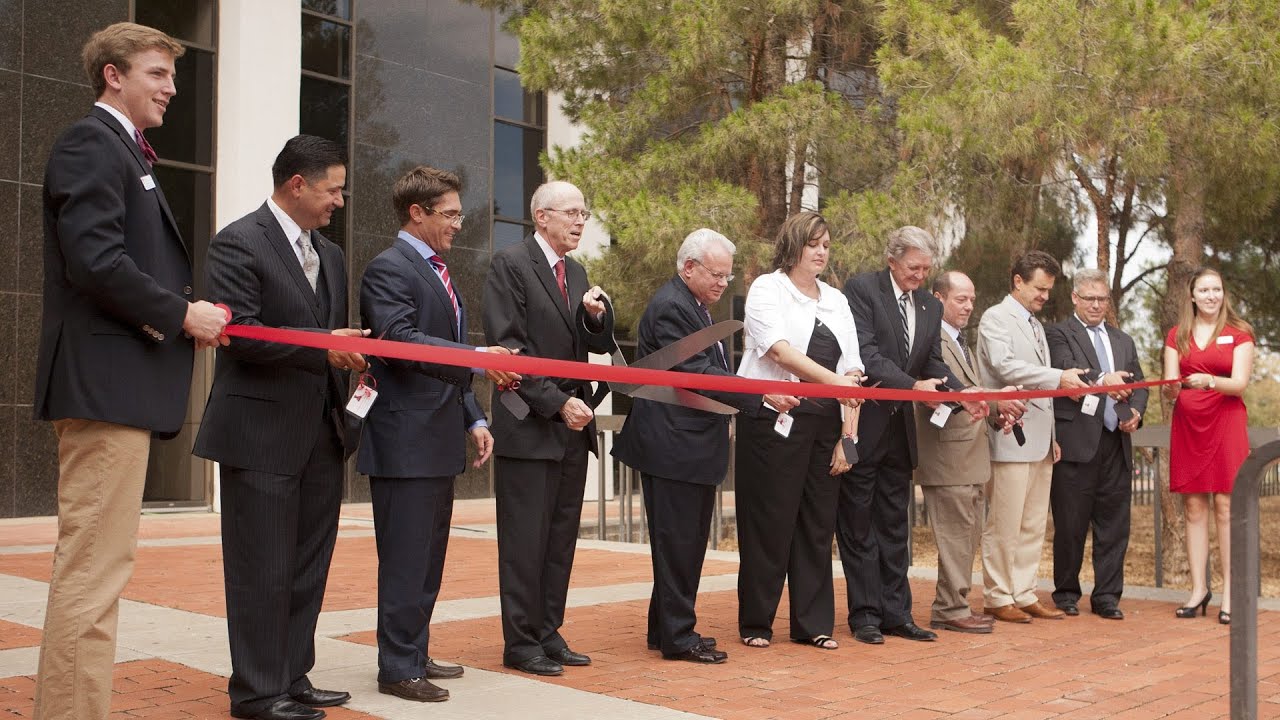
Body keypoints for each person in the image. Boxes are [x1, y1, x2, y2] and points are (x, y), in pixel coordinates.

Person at [31, 22, 228, 720]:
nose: (172, 88)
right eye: (157, 73)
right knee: (93, 574)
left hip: (118, 390)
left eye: (172, 75)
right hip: (104, 392)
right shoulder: (91, 142)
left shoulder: (123, 151)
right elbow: (96, 261)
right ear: (112, 75)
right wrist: (181, 314)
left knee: (98, 572)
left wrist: (178, 317)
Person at [194, 135, 368, 720]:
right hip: (259, 435)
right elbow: (239, 333)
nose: (339, 201)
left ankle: (293, 675)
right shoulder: (239, 241)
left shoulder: (332, 256)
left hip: (321, 434)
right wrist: (323, 347)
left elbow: (327, 337)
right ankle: (258, 691)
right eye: (333, 190)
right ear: (297, 184)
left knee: (306, 569)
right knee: (260, 571)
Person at [357, 167, 520, 701]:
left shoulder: (439, 270)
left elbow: (448, 363)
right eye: (449, 214)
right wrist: (476, 357)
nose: (458, 224)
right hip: (405, 442)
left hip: (438, 437)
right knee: (405, 560)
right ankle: (397, 667)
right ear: (417, 213)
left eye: (459, 214)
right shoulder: (389, 268)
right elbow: (399, 339)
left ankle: (414, 651)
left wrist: (474, 417)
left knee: (428, 559)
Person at [613, 229, 798, 664]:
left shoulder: (693, 306)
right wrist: (760, 393)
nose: (722, 283)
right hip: (673, 448)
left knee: (683, 543)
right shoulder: (673, 307)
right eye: (715, 274)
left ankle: (665, 629)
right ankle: (678, 637)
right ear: (688, 267)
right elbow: (698, 374)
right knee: (679, 544)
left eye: (727, 276)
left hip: (686, 447)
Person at [482, 181, 614, 677]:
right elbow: (509, 349)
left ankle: (547, 630)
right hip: (531, 422)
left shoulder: (575, 272)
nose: (581, 221)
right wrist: (558, 404)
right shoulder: (511, 264)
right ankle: (520, 642)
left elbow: (587, 343)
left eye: (584, 213)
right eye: (572, 213)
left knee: (560, 539)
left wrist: (596, 318)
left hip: (571, 428)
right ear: (542, 216)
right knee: (525, 542)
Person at [839, 227, 988, 645]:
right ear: (892, 261)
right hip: (865, 425)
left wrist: (960, 395)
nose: (920, 276)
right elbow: (867, 355)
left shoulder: (928, 304)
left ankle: (897, 614)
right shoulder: (862, 290)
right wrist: (913, 387)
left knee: (894, 527)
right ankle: (865, 616)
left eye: (926, 269)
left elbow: (934, 362)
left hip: (901, 435)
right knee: (859, 526)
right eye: (912, 268)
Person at [735, 211, 864, 651]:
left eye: (826, 245)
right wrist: (835, 383)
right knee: (770, 523)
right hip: (773, 422)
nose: (822, 252)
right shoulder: (767, 288)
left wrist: (848, 439)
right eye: (813, 244)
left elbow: (853, 372)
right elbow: (779, 351)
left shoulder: (837, 299)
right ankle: (757, 622)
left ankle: (813, 624)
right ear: (793, 246)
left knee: (817, 525)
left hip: (825, 426)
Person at [976, 250, 1089, 624]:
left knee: (1033, 524)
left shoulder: (1037, 325)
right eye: (1039, 288)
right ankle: (997, 595)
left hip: (1041, 440)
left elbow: (1040, 387)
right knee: (1004, 523)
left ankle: (1023, 592)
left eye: (1048, 290)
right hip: (1010, 435)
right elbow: (1005, 367)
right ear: (1018, 281)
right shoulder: (995, 318)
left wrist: (1053, 434)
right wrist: (1059, 377)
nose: (1044, 296)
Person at [913, 271, 1024, 635]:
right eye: (961, 299)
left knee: (966, 535)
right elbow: (949, 392)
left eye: (972, 300)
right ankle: (951, 608)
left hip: (971, 456)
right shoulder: (931, 342)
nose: (968, 306)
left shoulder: (961, 341)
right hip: (947, 457)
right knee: (955, 537)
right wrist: (997, 401)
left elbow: (970, 395)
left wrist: (996, 412)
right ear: (938, 298)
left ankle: (954, 603)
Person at [1046, 269, 1147, 620]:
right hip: (1076, 443)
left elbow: (1140, 383)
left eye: (1102, 299)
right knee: (1070, 524)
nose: (1096, 305)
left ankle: (1107, 597)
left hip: (1115, 442)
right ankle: (1066, 593)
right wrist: (1105, 380)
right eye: (1089, 298)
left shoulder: (1123, 340)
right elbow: (1065, 368)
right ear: (1075, 298)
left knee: (1114, 526)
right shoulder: (1058, 333)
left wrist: (1136, 412)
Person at [1163, 267, 1254, 625]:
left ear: (1223, 293)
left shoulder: (1239, 333)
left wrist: (1210, 380)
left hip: (1226, 422)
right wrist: (1171, 388)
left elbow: (1240, 383)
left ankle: (1231, 593)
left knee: (1226, 505)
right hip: (1189, 426)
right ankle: (1199, 589)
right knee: (1193, 508)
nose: (1211, 296)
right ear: (1192, 295)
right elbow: (1171, 387)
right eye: (1204, 290)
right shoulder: (1177, 335)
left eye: (1216, 289)